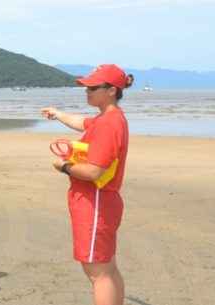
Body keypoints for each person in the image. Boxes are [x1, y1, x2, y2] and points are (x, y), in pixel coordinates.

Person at [41, 64, 133, 305]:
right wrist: (58, 114)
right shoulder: (110, 118)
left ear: (112, 90)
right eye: (86, 87)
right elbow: (82, 122)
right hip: (103, 201)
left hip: (95, 203)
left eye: (93, 87)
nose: (87, 91)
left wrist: (64, 166)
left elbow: (93, 171)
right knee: (108, 269)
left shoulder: (108, 123)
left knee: (98, 274)